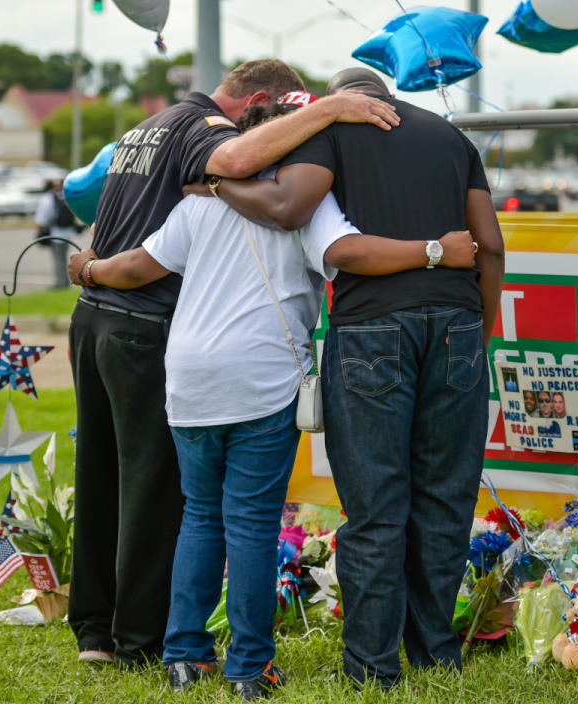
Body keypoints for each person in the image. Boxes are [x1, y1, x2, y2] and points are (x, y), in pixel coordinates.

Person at [68, 100, 476, 699]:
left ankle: (186, 656)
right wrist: (435, 251)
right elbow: (346, 253)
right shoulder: (308, 209)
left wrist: (88, 269)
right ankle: (249, 668)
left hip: (187, 377)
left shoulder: (197, 205)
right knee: (252, 525)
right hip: (259, 380)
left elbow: (135, 268)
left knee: (200, 517)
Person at [188, 67, 504, 686]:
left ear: (344, 100)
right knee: (444, 501)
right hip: (457, 323)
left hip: (372, 328)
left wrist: (220, 182)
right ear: (387, 97)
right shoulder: (450, 137)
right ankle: (437, 655)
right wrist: (478, 328)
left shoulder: (330, 129)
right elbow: (490, 244)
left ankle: (372, 667)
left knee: (376, 508)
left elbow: (289, 207)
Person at [34, 178, 79, 288]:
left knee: (58, 259)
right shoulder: (66, 197)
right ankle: (65, 282)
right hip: (67, 233)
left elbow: (42, 219)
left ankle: (61, 283)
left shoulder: (48, 199)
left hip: (55, 233)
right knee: (64, 258)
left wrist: (40, 228)